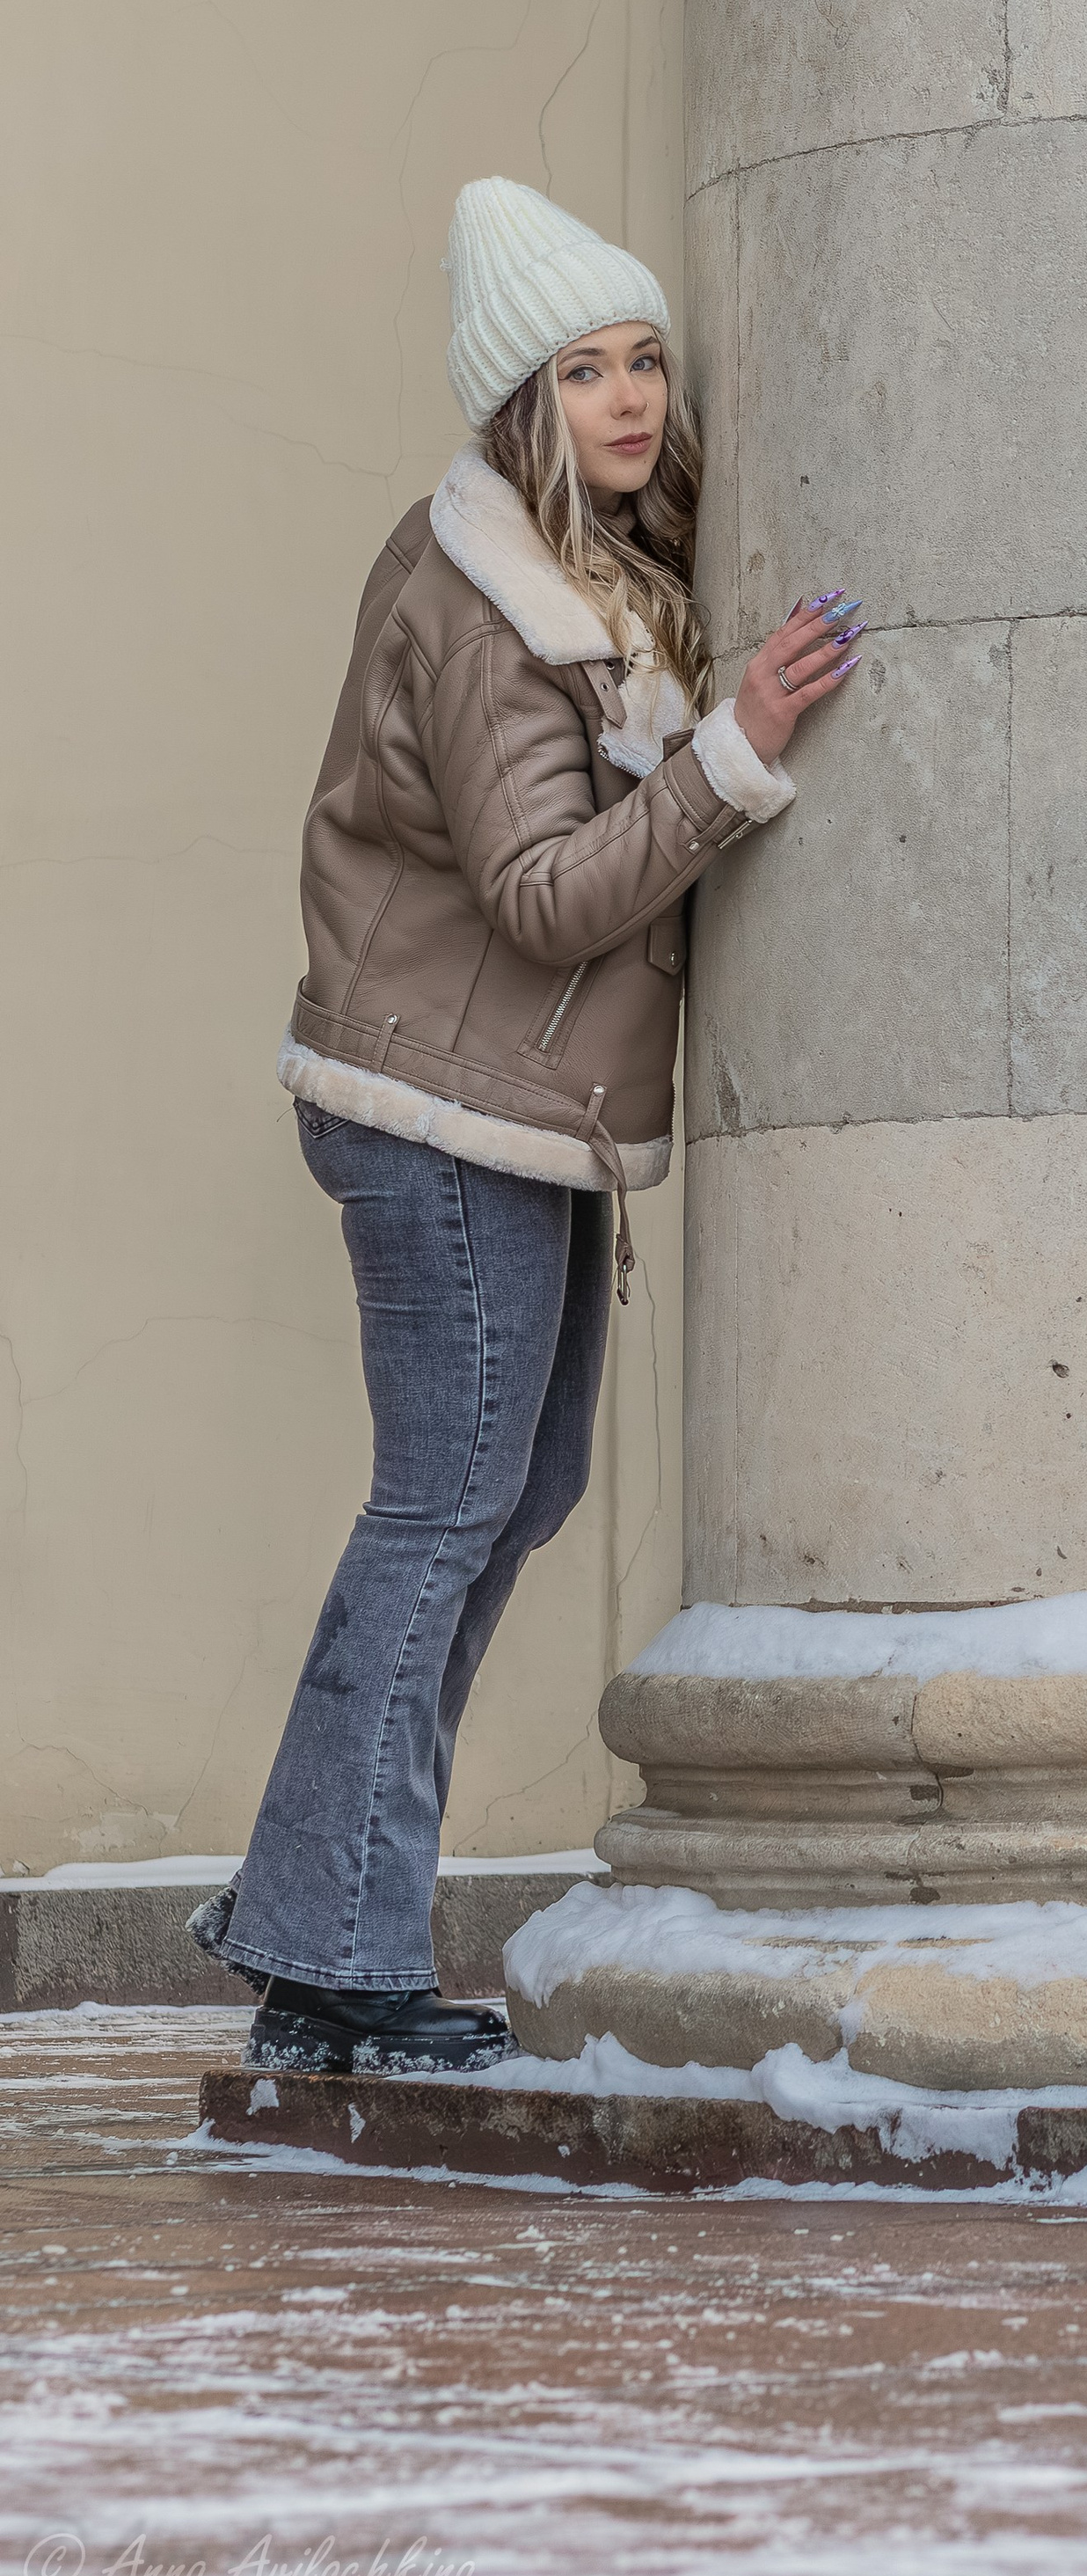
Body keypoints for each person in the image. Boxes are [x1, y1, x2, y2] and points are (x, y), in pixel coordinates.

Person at [190, 179, 862, 2077]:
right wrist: (735, 754)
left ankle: (311, 1926)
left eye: (646, 360)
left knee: (506, 1496)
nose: (632, 399)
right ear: (519, 403)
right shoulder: (482, 601)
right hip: (440, 1108)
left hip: (509, 1108)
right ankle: (333, 1950)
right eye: (586, 372)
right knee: (440, 1511)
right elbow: (550, 895)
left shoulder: (585, 577)